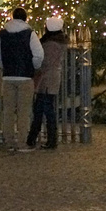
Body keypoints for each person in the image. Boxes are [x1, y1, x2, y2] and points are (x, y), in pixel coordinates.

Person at [0, 5, 43, 152]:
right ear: (25, 18)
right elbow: (39, 54)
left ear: (12, 17)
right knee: (24, 111)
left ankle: (9, 141)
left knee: (8, 110)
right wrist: (33, 66)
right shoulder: (29, 34)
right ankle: (22, 142)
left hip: (8, 76)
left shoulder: (3, 34)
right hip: (25, 76)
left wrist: (4, 64)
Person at [28, 16, 68, 150]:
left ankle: (50, 140)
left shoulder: (50, 44)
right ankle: (32, 138)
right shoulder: (58, 41)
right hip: (50, 78)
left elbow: (44, 63)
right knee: (40, 109)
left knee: (46, 110)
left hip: (46, 80)